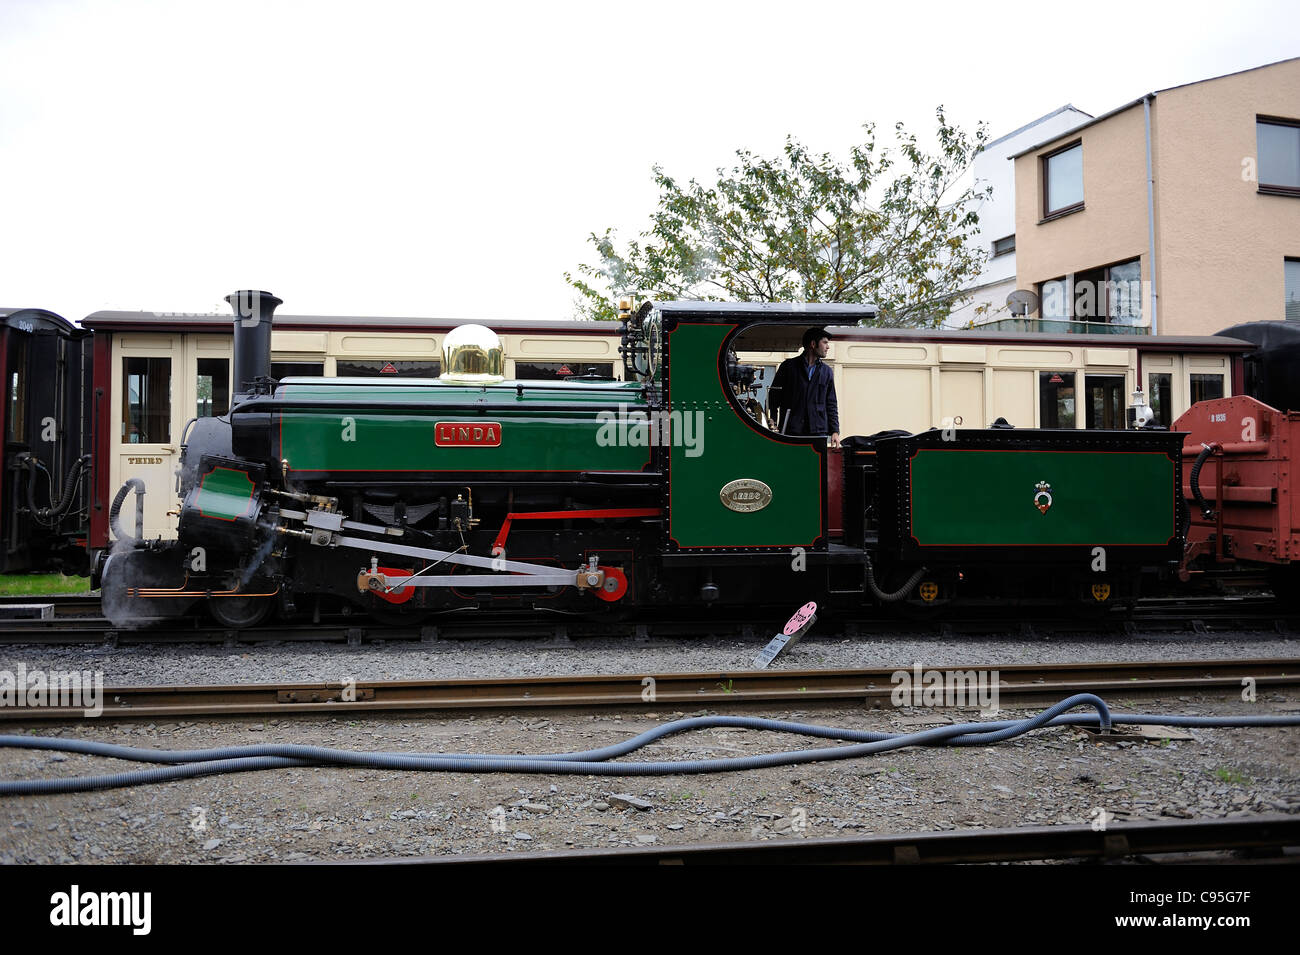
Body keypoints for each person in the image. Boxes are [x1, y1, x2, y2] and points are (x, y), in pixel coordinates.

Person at [768, 327, 840, 448]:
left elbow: (831, 403)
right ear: (813, 344)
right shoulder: (788, 367)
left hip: (818, 432)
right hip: (792, 430)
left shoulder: (827, 372)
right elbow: (773, 398)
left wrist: (835, 431)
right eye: (825, 342)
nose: (828, 347)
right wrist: (773, 423)